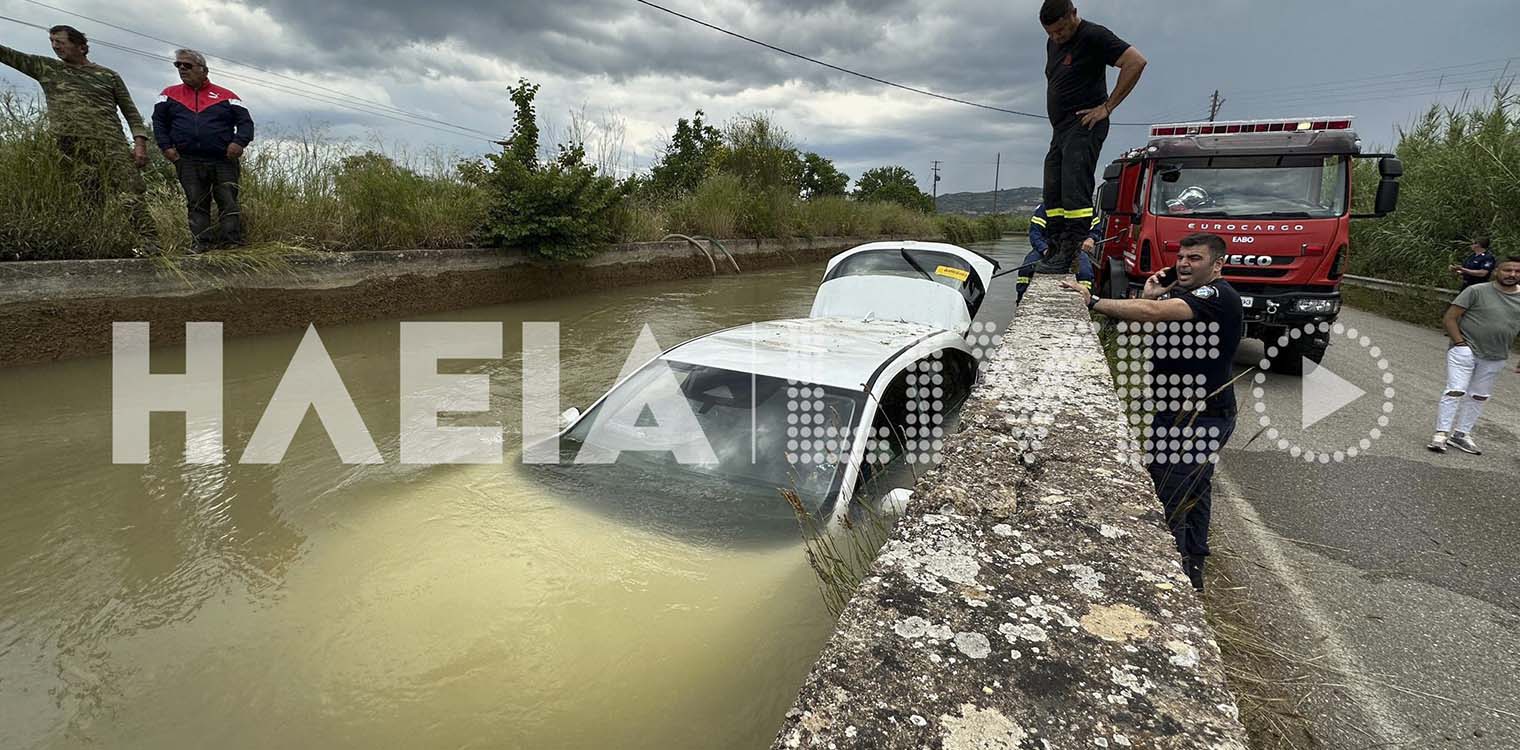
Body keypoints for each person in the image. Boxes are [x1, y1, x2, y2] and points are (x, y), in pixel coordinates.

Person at [1062, 233, 1242, 592]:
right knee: (1193, 490)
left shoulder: (1217, 296)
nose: (1184, 264)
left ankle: (1171, 580)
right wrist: (1149, 295)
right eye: (1181, 256)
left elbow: (1153, 314)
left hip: (1198, 418)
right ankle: (1191, 573)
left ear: (1217, 264)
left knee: (1171, 494)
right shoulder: (1188, 299)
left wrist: (1093, 300)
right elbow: (1151, 317)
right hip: (1178, 414)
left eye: (1195, 258)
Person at [0, 25, 156, 248]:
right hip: (68, 144)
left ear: (81, 47)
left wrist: (140, 145)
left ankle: (153, 246)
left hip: (111, 144)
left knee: (130, 193)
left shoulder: (108, 76)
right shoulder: (46, 67)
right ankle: (89, 246)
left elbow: (131, 112)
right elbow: (7, 54)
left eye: (60, 42)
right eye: (52, 42)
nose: (55, 47)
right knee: (84, 198)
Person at [1036, 0, 1145, 274]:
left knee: (1074, 188)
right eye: (1050, 33)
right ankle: (1056, 246)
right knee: (1054, 188)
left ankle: (1070, 253)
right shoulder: (1054, 43)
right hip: (1060, 129)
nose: (1056, 37)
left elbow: (1135, 61)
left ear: (1074, 14)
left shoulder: (1094, 35)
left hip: (1084, 124)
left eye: (1060, 30)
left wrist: (1107, 107)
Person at [152, 49, 254, 252]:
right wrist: (166, 147)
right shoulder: (168, 95)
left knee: (228, 201)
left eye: (187, 65)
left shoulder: (227, 96)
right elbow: (159, 122)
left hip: (222, 159)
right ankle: (201, 244)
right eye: (178, 65)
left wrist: (239, 143)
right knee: (196, 203)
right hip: (187, 159)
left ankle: (231, 243)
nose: (182, 68)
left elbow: (246, 123)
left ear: (204, 70)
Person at [1427, 256, 1520, 455]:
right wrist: (1460, 344)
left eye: (1517, 271)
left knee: (1479, 396)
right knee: (1456, 390)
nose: (1512, 275)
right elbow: (1450, 318)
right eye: (1508, 270)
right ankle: (1441, 434)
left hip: (1496, 355)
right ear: (1496, 271)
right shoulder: (1476, 291)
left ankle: (1460, 435)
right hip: (1465, 350)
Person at [1017, 203, 1098, 303]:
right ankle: (1021, 299)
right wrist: (1045, 249)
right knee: (1025, 269)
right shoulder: (1045, 207)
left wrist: (1091, 238)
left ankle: (1087, 303)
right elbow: (1035, 233)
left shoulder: (1085, 205)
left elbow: (1096, 228)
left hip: (1075, 247)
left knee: (1085, 272)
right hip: (1048, 247)